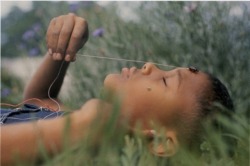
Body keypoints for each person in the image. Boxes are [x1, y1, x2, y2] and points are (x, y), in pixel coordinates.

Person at [0, 13, 234, 165]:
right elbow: (38, 99)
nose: (149, 65)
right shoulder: (77, 121)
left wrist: (78, 131)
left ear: (159, 142)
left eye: (165, 81)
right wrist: (62, 51)